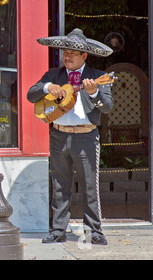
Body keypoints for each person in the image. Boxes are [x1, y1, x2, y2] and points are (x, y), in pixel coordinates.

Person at [27, 28, 114, 245]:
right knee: (59, 184)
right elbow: (31, 94)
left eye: (73, 53)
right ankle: (58, 230)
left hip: (86, 136)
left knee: (89, 185)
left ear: (84, 56)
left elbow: (107, 107)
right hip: (58, 135)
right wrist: (48, 87)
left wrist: (93, 93)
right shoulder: (54, 75)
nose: (67, 56)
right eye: (65, 51)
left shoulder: (96, 76)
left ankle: (94, 230)